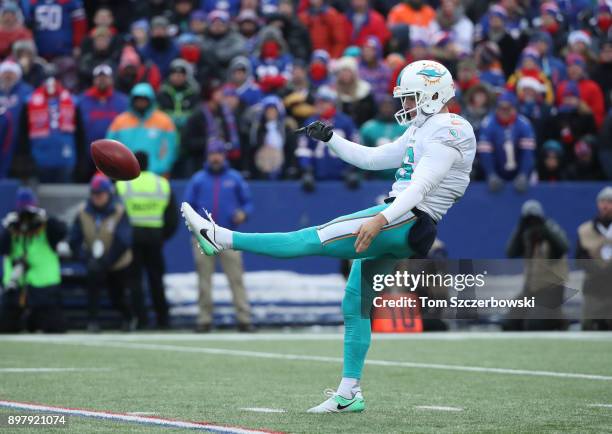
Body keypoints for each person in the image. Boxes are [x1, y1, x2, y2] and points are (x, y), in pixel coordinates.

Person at [182, 60, 476, 412]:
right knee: (355, 302)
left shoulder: (451, 128)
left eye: (411, 97)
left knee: (311, 238)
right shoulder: (423, 128)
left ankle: (222, 237)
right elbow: (372, 158)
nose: (406, 105)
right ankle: (349, 393)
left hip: (406, 217)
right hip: (406, 221)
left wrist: (380, 218)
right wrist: (332, 139)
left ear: (433, 93)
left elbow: (421, 186)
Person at [183, 139, 255, 333]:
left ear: (223, 156)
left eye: (219, 154)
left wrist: (243, 213)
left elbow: (248, 203)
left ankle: (244, 318)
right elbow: (187, 206)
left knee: (236, 278)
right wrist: (195, 227)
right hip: (203, 236)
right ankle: (204, 319)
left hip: (229, 235)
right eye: (212, 154)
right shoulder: (198, 179)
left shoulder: (235, 178)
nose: (215, 157)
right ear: (207, 156)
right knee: (204, 280)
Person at [69, 175, 141, 332]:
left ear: (109, 194)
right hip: (93, 261)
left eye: (101, 194)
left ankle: (129, 318)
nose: (97, 197)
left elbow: (123, 240)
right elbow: (74, 239)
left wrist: (106, 261)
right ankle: (93, 321)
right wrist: (86, 258)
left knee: (118, 295)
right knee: (92, 289)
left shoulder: (119, 211)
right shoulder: (82, 212)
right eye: (94, 194)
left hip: (117, 261)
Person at [117, 152, 178, 329]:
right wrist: (162, 235)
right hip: (154, 238)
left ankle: (141, 320)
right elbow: (172, 217)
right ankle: (163, 320)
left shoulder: (123, 185)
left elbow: (117, 216)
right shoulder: (161, 184)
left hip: (132, 238)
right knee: (156, 279)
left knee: (135, 280)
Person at [0, 188, 66, 333]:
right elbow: (2, 248)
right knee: (4, 326)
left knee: (54, 326)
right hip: (16, 287)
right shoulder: (12, 227)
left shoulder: (46, 225)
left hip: (44, 288)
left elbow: (62, 231)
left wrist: (45, 218)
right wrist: (8, 227)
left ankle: (31, 321)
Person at [504, 200, 569, 331]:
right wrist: (520, 228)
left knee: (534, 324)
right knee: (509, 323)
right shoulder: (526, 236)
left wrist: (545, 229)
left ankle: (558, 321)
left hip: (551, 290)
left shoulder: (551, 231)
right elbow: (510, 252)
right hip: (530, 290)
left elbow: (564, 247)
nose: (532, 223)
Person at [107, 83, 177, 177]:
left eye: (144, 99)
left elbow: (170, 149)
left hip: (156, 175)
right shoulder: (120, 121)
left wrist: (160, 168)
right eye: (138, 99)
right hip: (127, 174)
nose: (141, 102)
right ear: (133, 100)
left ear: (151, 100)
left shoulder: (164, 121)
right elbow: (111, 148)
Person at [76, 64, 128, 181]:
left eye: (105, 77)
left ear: (112, 79)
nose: (102, 80)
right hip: (88, 154)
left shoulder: (123, 101)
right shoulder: (81, 100)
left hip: (114, 155)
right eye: (99, 77)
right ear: (94, 80)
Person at [477, 92, 536, 193]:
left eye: (507, 108)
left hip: (519, 173)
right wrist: (491, 174)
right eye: (501, 108)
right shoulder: (488, 124)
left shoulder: (523, 124)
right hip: (496, 173)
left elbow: (528, 153)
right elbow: (485, 153)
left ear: (514, 108)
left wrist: (524, 174)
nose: (504, 111)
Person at [577, 187, 612, 330]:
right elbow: (580, 258)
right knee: (588, 326)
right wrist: (598, 270)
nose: (605, 205)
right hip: (594, 287)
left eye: (609, 202)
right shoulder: (586, 230)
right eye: (602, 201)